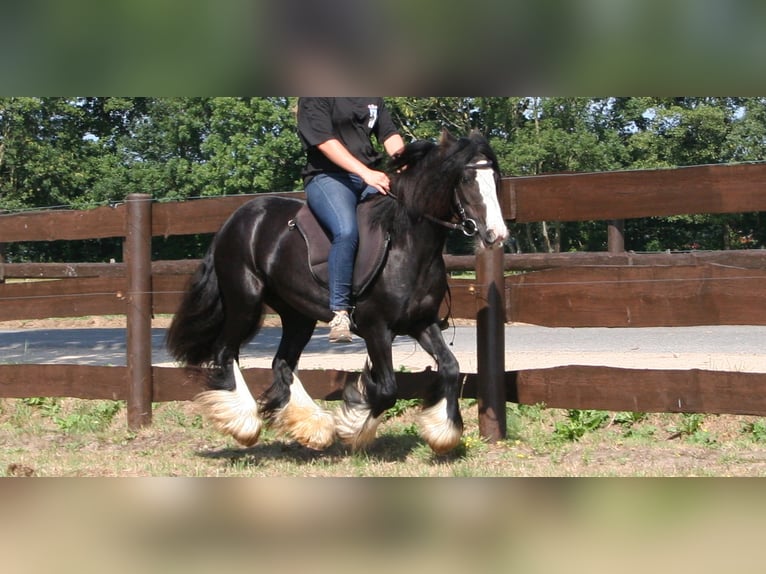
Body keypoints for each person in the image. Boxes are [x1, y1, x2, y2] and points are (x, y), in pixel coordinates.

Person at [297, 97, 405, 342]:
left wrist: (406, 163)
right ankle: (340, 312)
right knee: (346, 232)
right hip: (328, 176)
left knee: (409, 216)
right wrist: (365, 173)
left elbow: (389, 134)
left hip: (370, 176)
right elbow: (324, 141)